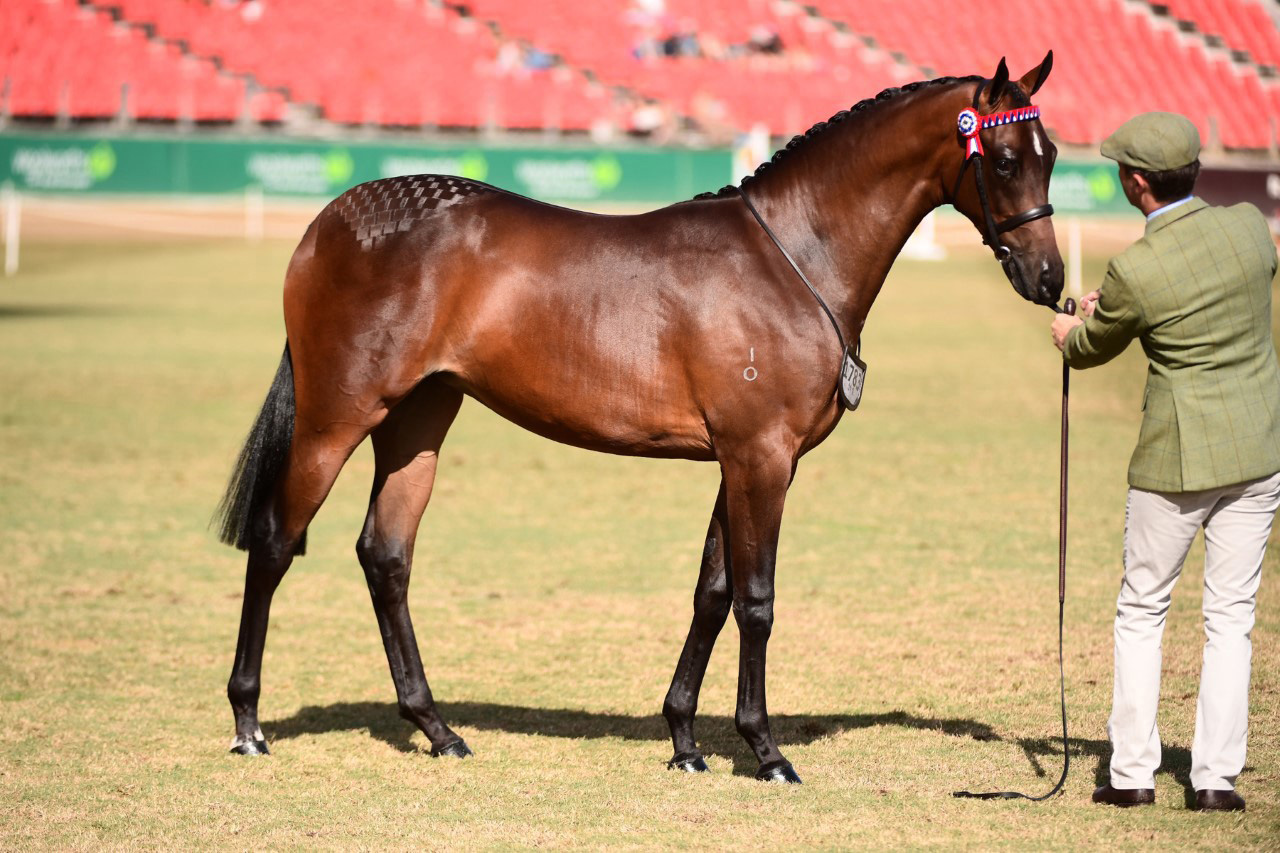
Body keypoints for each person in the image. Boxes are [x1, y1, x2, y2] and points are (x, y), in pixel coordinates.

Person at [1051, 111, 1280, 813]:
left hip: (1177, 461)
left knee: (1143, 610)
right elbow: (1214, 290)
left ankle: (1132, 773)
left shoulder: (1136, 266)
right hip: (1258, 450)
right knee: (1231, 616)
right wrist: (1114, 308)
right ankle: (1215, 778)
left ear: (1136, 182)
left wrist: (1069, 327)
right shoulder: (1249, 227)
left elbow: (1091, 347)